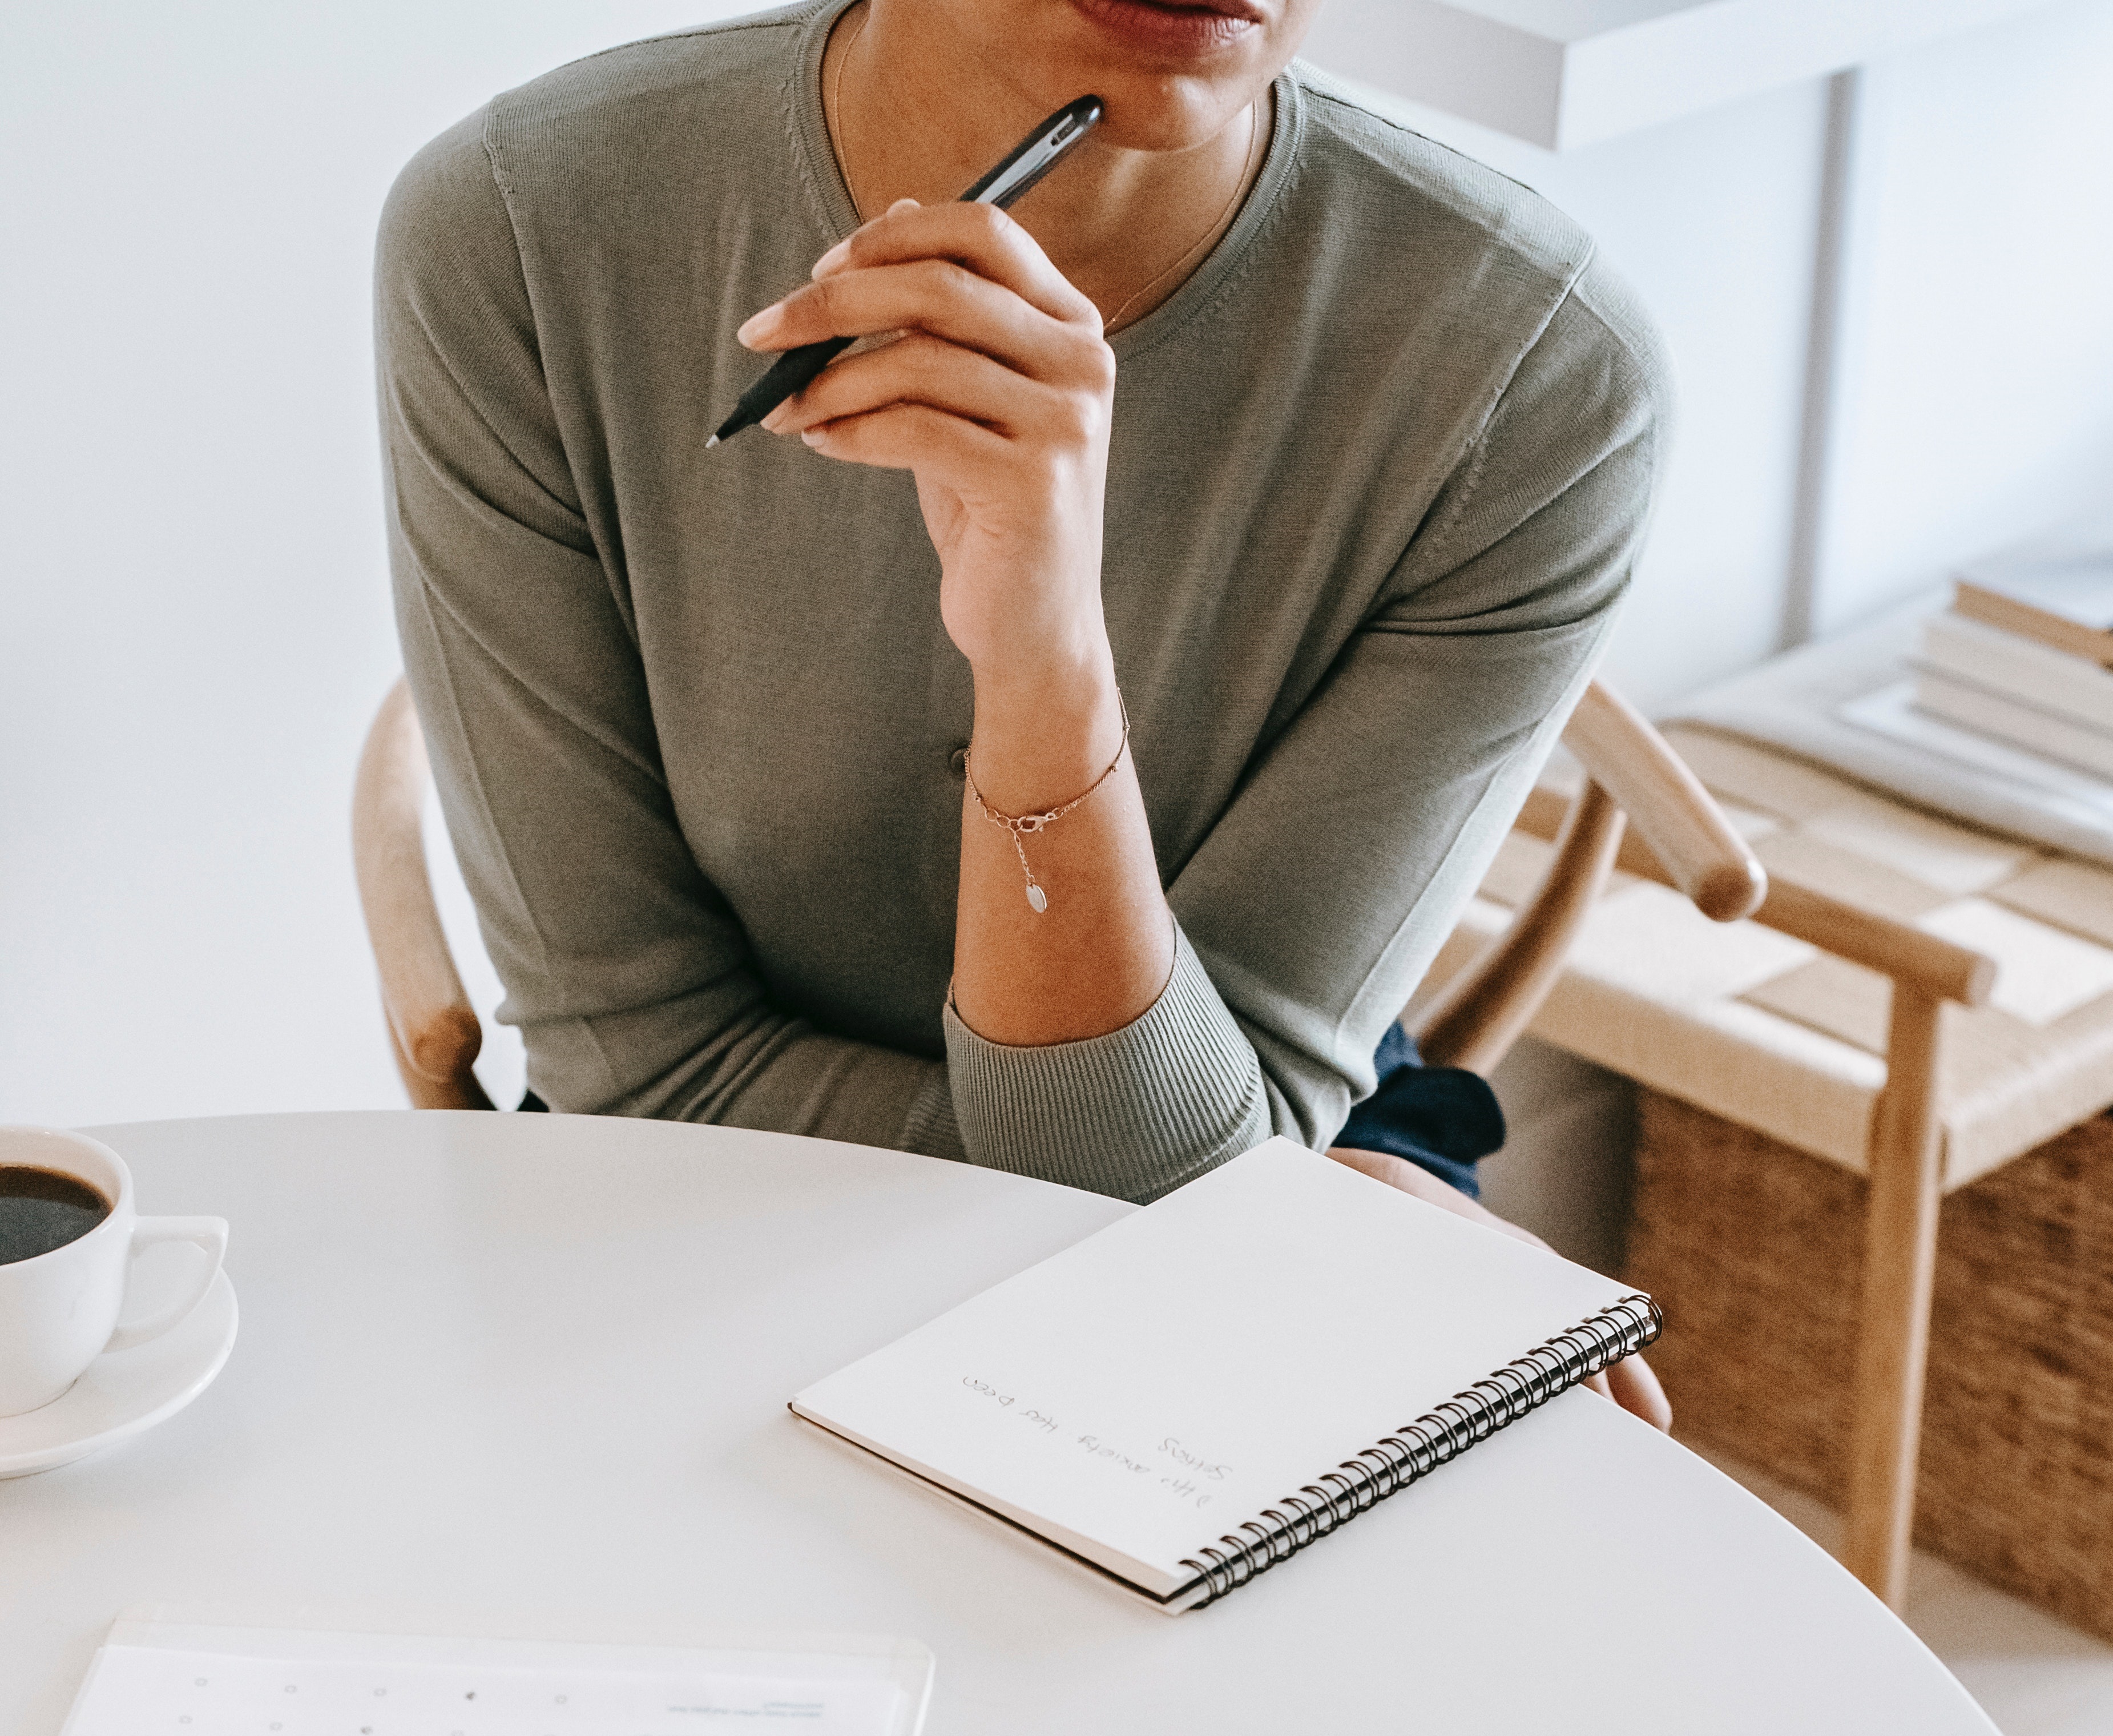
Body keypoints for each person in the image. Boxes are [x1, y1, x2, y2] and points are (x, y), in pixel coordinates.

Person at [377, 0, 1670, 1425]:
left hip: (1239, 1166)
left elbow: (1204, 1156)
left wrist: (1045, 659)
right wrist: (1245, 1195)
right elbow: (639, 1060)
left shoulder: (1535, 372)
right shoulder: (523, 226)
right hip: (728, 1183)